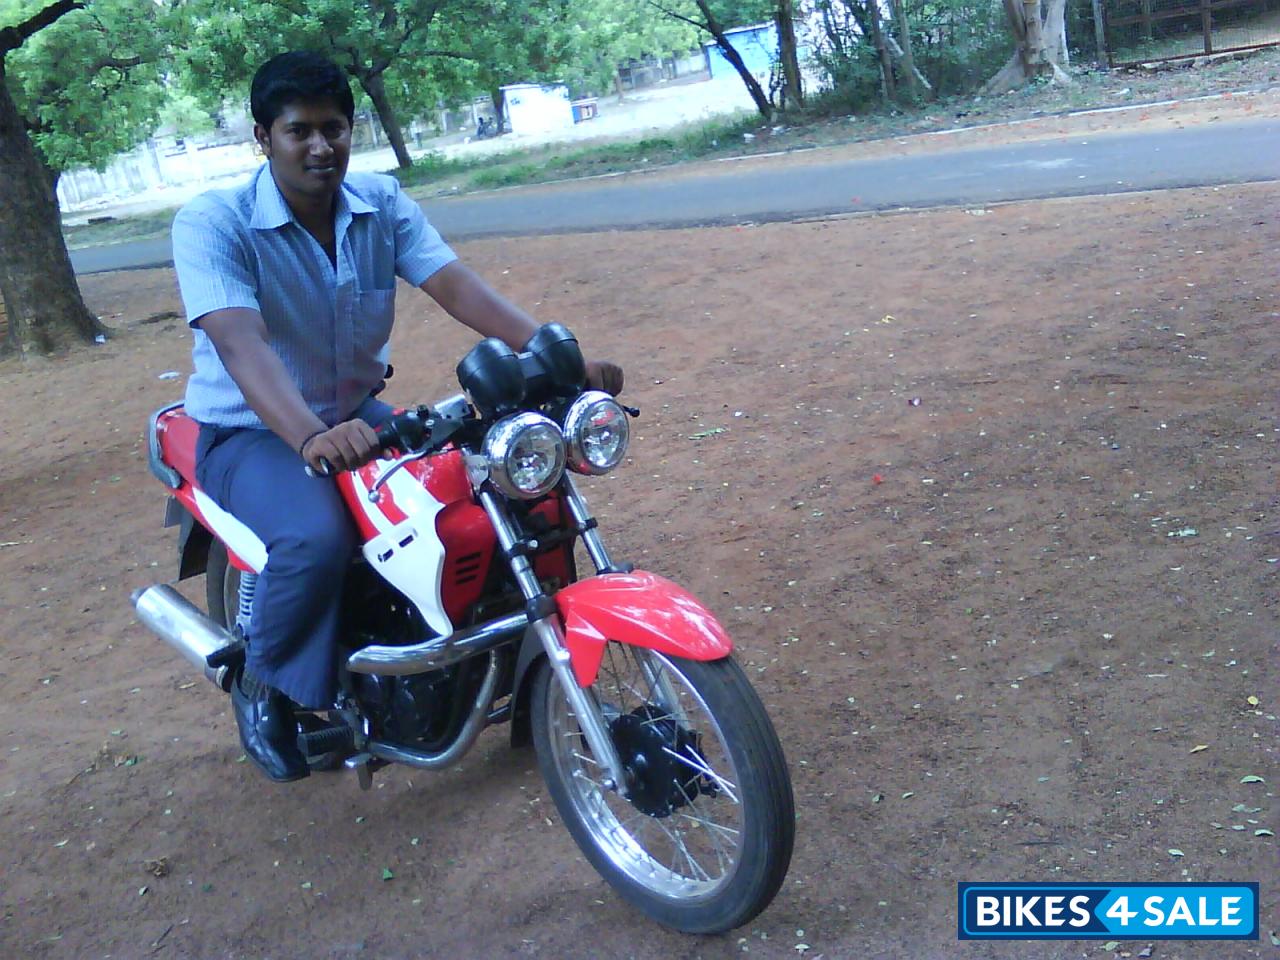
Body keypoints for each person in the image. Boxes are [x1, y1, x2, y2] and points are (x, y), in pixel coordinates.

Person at [171, 51, 623, 783]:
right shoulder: (213, 223)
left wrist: (557, 355)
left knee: (479, 489)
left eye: (335, 128)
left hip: (356, 415)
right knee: (315, 537)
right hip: (251, 432)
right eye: (299, 132)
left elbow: (455, 285)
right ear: (264, 136)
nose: (321, 147)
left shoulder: (380, 203)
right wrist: (310, 436)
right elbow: (238, 340)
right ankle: (265, 683)